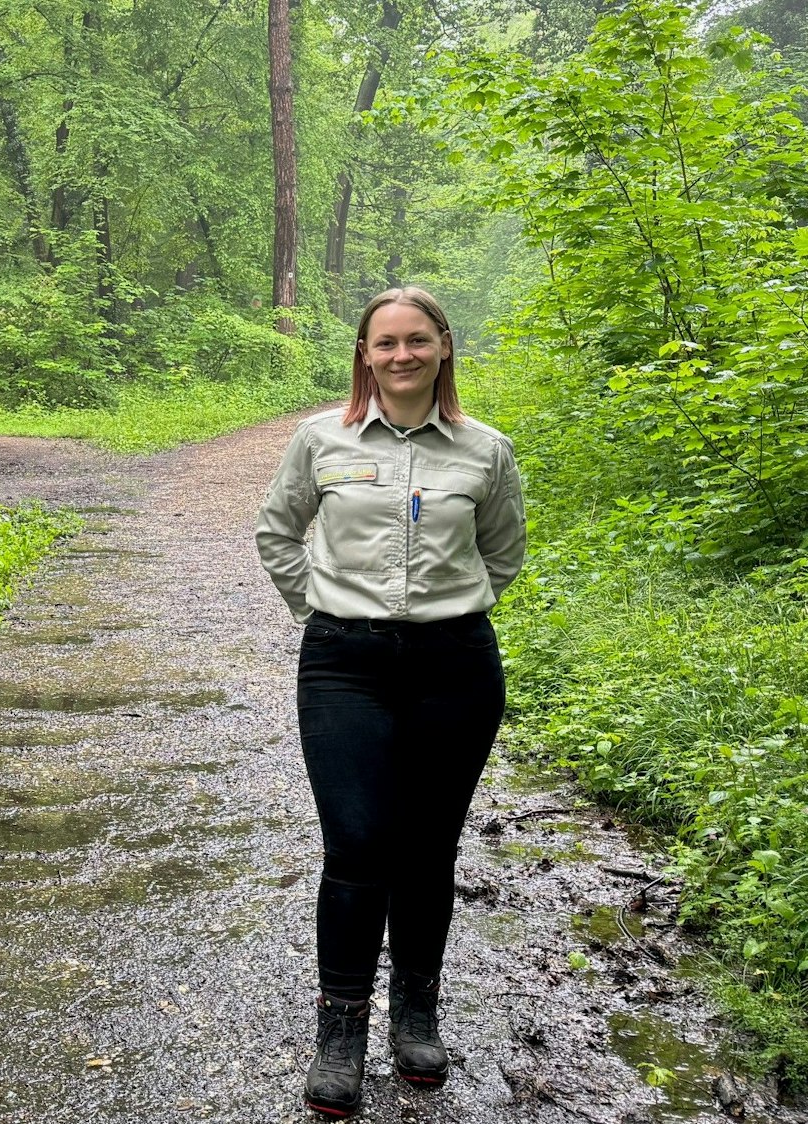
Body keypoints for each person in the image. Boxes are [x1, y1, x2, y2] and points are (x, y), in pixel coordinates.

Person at [253, 287, 527, 1118]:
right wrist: (323, 613)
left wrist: (439, 620)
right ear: (364, 355)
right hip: (344, 666)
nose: (401, 355)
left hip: (455, 668)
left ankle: (415, 1013)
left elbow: (502, 554)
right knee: (358, 840)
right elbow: (276, 533)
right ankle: (340, 1028)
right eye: (385, 344)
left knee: (426, 849)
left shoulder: (485, 450)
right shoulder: (320, 440)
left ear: (444, 347)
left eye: (417, 340)